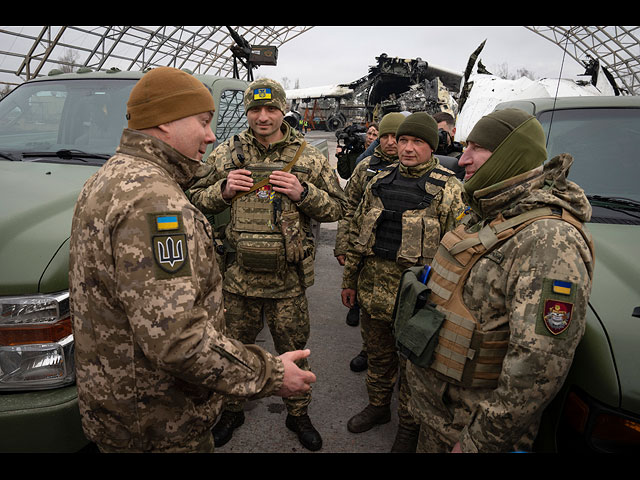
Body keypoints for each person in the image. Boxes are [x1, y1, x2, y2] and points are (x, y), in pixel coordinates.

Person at [68, 67, 316, 453]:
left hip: (124, 407)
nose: (210, 134)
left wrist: (305, 194)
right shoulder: (154, 200)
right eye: (202, 121)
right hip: (160, 421)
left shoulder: (111, 178)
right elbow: (178, 342)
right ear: (166, 122)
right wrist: (272, 373)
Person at [403, 108, 595, 453]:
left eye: (477, 148)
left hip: (470, 432)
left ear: (510, 154)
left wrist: (479, 441)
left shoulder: (548, 240)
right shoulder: (492, 213)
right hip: (441, 418)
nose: (463, 159)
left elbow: (537, 365)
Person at [188, 78, 346, 452]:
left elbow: (340, 208)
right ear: (246, 112)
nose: (263, 117)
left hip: (286, 281)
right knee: (232, 348)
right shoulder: (226, 154)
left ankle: (297, 411)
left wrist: (302, 192)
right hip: (238, 279)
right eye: (255, 110)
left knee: (295, 347)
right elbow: (193, 198)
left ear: (282, 110)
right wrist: (223, 190)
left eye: (271, 109)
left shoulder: (308, 157)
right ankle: (232, 408)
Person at [341, 112, 466, 452]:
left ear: (432, 146)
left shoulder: (449, 189)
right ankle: (379, 407)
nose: (408, 148)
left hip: (418, 298)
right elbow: (357, 233)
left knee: (414, 369)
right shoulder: (377, 180)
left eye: (418, 142)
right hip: (373, 289)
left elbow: (460, 250)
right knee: (379, 358)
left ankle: (409, 427)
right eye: (405, 141)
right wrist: (349, 280)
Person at [334, 113, 403, 373]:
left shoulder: (418, 170)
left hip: (400, 252)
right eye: (383, 136)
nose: (389, 142)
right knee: (368, 306)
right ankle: (368, 349)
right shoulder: (365, 168)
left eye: (395, 137)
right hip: (367, 250)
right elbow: (348, 207)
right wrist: (342, 245)